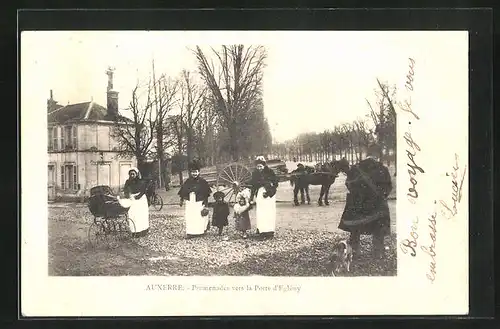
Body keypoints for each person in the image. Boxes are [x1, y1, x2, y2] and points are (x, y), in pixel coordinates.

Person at [338, 144, 393, 259]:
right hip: (376, 205)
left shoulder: (356, 167)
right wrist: (379, 196)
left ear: (367, 154)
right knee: (378, 229)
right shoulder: (382, 169)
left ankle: (354, 251)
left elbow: (349, 183)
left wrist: (358, 195)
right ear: (378, 155)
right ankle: (378, 252)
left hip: (357, 204)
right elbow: (388, 188)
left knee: (355, 229)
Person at [178, 160, 212, 238]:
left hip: (199, 202)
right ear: (190, 173)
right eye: (193, 172)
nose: (194, 174)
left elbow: (206, 194)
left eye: (196, 172)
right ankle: (190, 232)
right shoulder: (188, 181)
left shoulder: (203, 182)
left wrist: (205, 204)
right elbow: (183, 191)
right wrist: (181, 200)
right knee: (190, 216)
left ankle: (200, 231)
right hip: (190, 202)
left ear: (198, 172)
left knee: (199, 216)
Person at [249, 156, 279, 239]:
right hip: (260, 194)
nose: (259, 168)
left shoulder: (270, 172)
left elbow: (275, 183)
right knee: (261, 212)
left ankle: (270, 231)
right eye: (258, 166)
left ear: (264, 166)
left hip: (269, 195)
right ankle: (262, 231)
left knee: (269, 212)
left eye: (261, 166)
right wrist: (251, 198)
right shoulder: (255, 173)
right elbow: (253, 186)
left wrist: (269, 193)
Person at [122, 167, 150, 238]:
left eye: (133, 174)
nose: (132, 175)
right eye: (130, 174)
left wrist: (138, 197)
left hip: (141, 200)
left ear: (136, 174)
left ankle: (143, 231)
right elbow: (125, 190)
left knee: (141, 215)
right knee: (132, 215)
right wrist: (128, 195)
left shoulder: (141, 181)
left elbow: (143, 191)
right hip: (132, 199)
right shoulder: (128, 182)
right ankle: (135, 232)